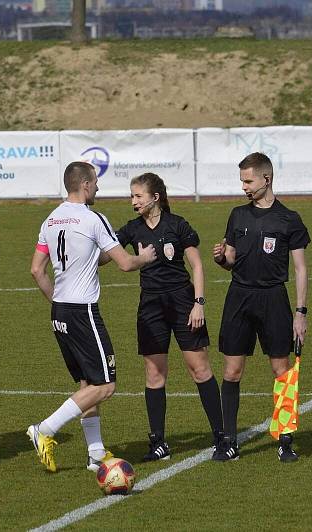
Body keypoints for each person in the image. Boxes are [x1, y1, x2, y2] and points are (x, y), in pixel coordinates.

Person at [27, 161, 156, 472]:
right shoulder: (92, 218)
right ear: (84, 184)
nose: (97, 187)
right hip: (82, 310)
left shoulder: (51, 219)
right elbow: (125, 263)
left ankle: (96, 453)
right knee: (106, 385)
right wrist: (146, 257)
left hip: (61, 310)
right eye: (95, 182)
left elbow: (36, 270)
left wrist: (57, 303)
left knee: (88, 384)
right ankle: (44, 429)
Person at [116, 172, 224, 461]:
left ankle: (221, 437)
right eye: (131, 196)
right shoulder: (132, 229)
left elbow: (197, 266)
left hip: (183, 302)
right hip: (150, 306)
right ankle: (158, 442)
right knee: (154, 374)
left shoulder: (178, 225)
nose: (133, 201)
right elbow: (108, 254)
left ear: (155, 197)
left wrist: (198, 303)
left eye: (138, 196)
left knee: (198, 368)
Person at [212, 152, 309, 463]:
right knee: (232, 370)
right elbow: (230, 260)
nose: (244, 187)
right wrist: (220, 258)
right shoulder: (237, 215)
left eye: (248, 180)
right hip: (239, 296)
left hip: (273, 299)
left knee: (282, 371)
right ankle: (228, 441)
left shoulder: (289, 219)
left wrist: (300, 312)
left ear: (266, 179)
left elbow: (300, 269)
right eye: (242, 181)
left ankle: (285, 440)